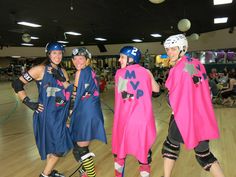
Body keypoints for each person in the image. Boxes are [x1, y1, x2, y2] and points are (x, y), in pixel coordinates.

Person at [161, 34, 225, 177]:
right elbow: (206, 88)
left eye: (173, 49)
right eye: (167, 49)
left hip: (183, 117)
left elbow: (172, 99)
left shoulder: (176, 70)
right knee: (204, 155)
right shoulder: (197, 63)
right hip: (202, 116)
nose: (169, 52)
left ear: (182, 49)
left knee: (170, 147)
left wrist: (170, 98)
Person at [11, 42, 73, 177]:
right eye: (54, 53)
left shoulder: (62, 71)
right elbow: (17, 83)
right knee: (60, 147)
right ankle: (45, 175)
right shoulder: (40, 69)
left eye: (60, 53)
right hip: (48, 115)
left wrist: (68, 115)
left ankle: (48, 172)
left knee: (56, 145)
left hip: (61, 114)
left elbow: (69, 93)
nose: (57, 56)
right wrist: (28, 102)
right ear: (48, 54)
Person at [112, 46, 160, 177]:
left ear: (130, 59)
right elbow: (156, 90)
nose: (119, 60)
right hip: (143, 120)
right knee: (143, 154)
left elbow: (122, 93)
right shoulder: (146, 72)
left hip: (126, 120)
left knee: (120, 153)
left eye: (122, 57)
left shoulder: (119, 74)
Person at [69, 47, 107, 177]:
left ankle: (90, 174)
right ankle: (86, 170)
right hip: (91, 112)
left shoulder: (80, 72)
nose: (77, 61)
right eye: (75, 58)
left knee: (81, 147)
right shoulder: (90, 71)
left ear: (87, 60)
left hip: (85, 113)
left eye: (81, 58)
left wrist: (68, 114)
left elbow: (74, 95)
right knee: (78, 144)